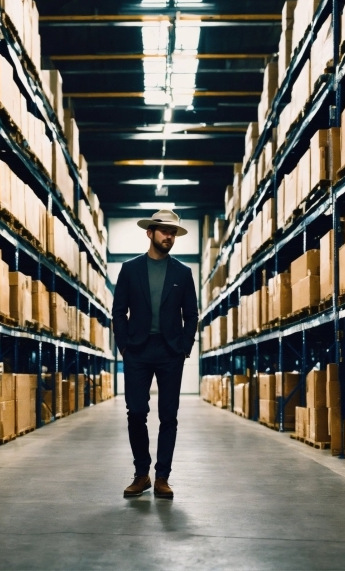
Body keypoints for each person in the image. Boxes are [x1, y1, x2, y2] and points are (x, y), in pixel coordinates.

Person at [112, 209, 199, 499]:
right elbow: (118, 311)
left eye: (172, 232)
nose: (168, 236)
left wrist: (184, 347)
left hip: (170, 351)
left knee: (168, 416)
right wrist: (123, 345)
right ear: (150, 233)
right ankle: (141, 473)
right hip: (137, 349)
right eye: (163, 231)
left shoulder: (183, 273)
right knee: (136, 412)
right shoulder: (130, 269)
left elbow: (192, 315)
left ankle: (162, 477)